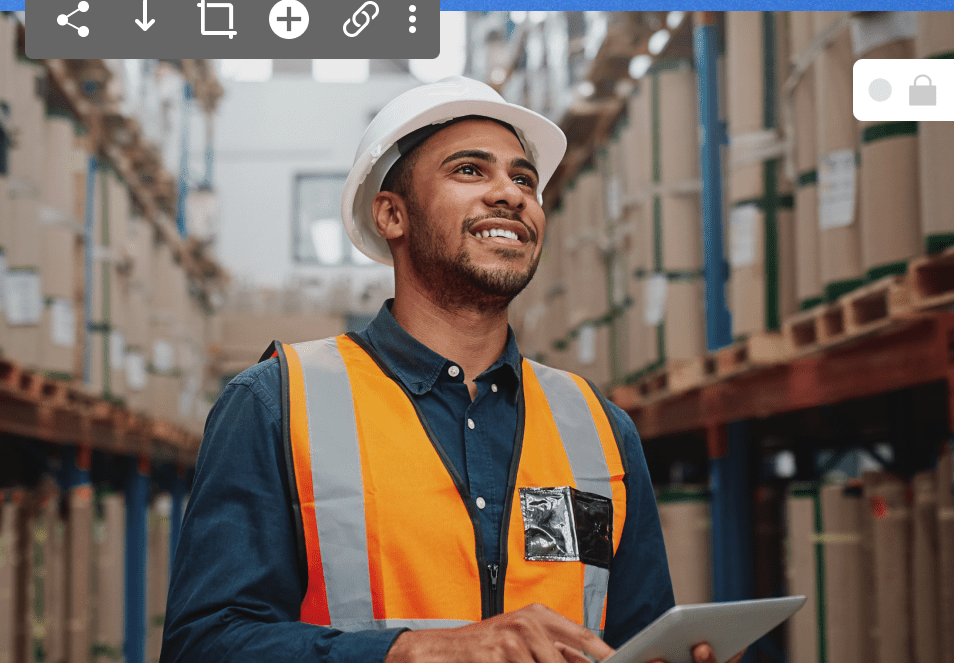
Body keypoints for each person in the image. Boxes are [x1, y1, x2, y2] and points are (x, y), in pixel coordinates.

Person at [162, 76, 743, 663]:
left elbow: (632, 637)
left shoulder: (598, 429)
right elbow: (204, 646)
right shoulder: (277, 405)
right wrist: (414, 652)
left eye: (524, 179)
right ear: (392, 215)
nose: (510, 194)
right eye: (470, 170)